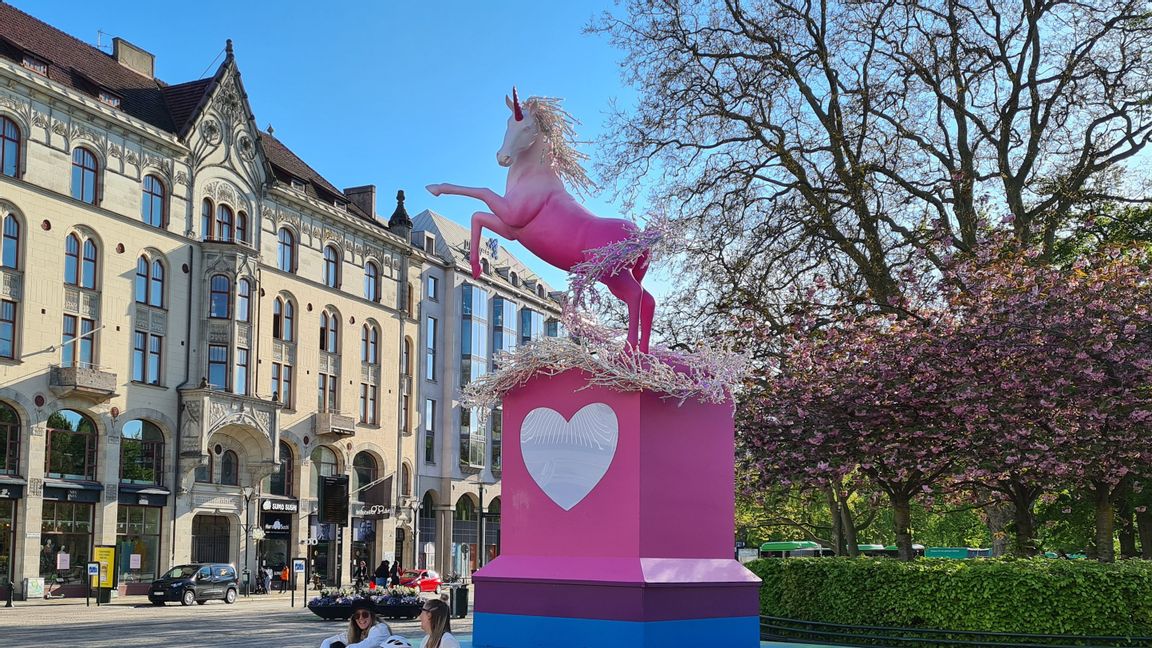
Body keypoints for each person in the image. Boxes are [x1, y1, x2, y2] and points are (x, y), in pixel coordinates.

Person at [319, 599, 412, 648]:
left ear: (371, 616)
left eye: (364, 614)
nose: (361, 618)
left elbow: (365, 645)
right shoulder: (356, 632)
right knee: (336, 644)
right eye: (357, 615)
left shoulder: (380, 629)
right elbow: (327, 641)